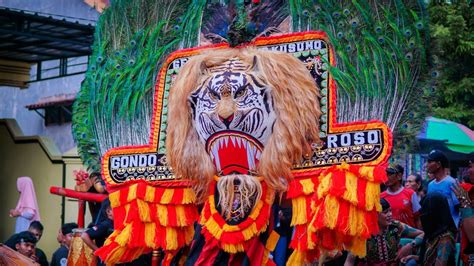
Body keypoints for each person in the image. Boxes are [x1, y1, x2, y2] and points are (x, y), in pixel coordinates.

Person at [344, 198, 424, 266]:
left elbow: (422, 234)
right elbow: (350, 261)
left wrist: (410, 245)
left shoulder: (396, 226)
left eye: (390, 211)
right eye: (385, 212)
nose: (390, 214)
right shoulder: (362, 232)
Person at [420, 192, 457, 265]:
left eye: (426, 211)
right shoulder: (432, 232)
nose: (423, 215)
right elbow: (428, 258)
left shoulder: (446, 238)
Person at [425, 149, 460, 227]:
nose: (427, 165)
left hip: (450, 228)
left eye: (430, 162)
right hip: (435, 228)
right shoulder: (430, 185)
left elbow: (459, 206)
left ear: (438, 164)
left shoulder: (452, 182)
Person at [451, 155, 474, 264]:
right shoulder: (469, 191)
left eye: (470, 166)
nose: (468, 171)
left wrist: (464, 203)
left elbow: (473, 236)